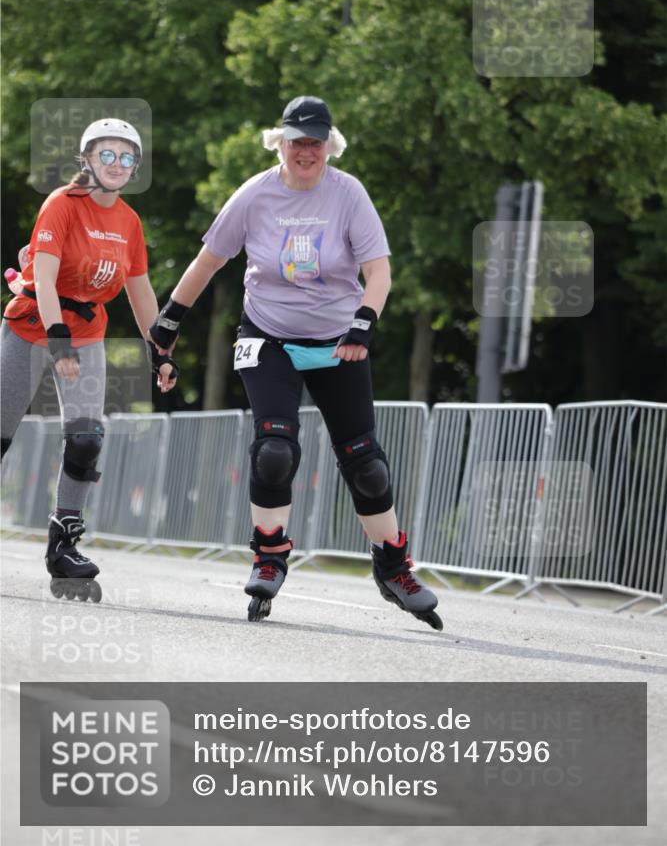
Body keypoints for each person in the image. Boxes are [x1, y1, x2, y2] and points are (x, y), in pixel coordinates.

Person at [149, 96, 442, 630]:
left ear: (329, 145)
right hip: (269, 336)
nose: (306, 151)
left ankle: (394, 567)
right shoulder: (256, 194)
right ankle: (269, 553)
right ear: (278, 143)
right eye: (296, 141)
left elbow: (379, 271)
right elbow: (210, 259)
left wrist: (364, 320)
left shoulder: (348, 193)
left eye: (315, 142)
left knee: (366, 464)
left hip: (338, 340)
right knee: (275, 452)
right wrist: (168, 321)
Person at [1, 118, 180, 601]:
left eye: (127, 158)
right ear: (87, 159)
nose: (117, 165)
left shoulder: (129, 222)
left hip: (88, 334)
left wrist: (159, 352)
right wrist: (58, 342)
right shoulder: (62, 204)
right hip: (32, 326)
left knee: (85, 439)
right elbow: (43, 276)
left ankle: (63, 544)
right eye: (107, 155)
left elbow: (141, 293)